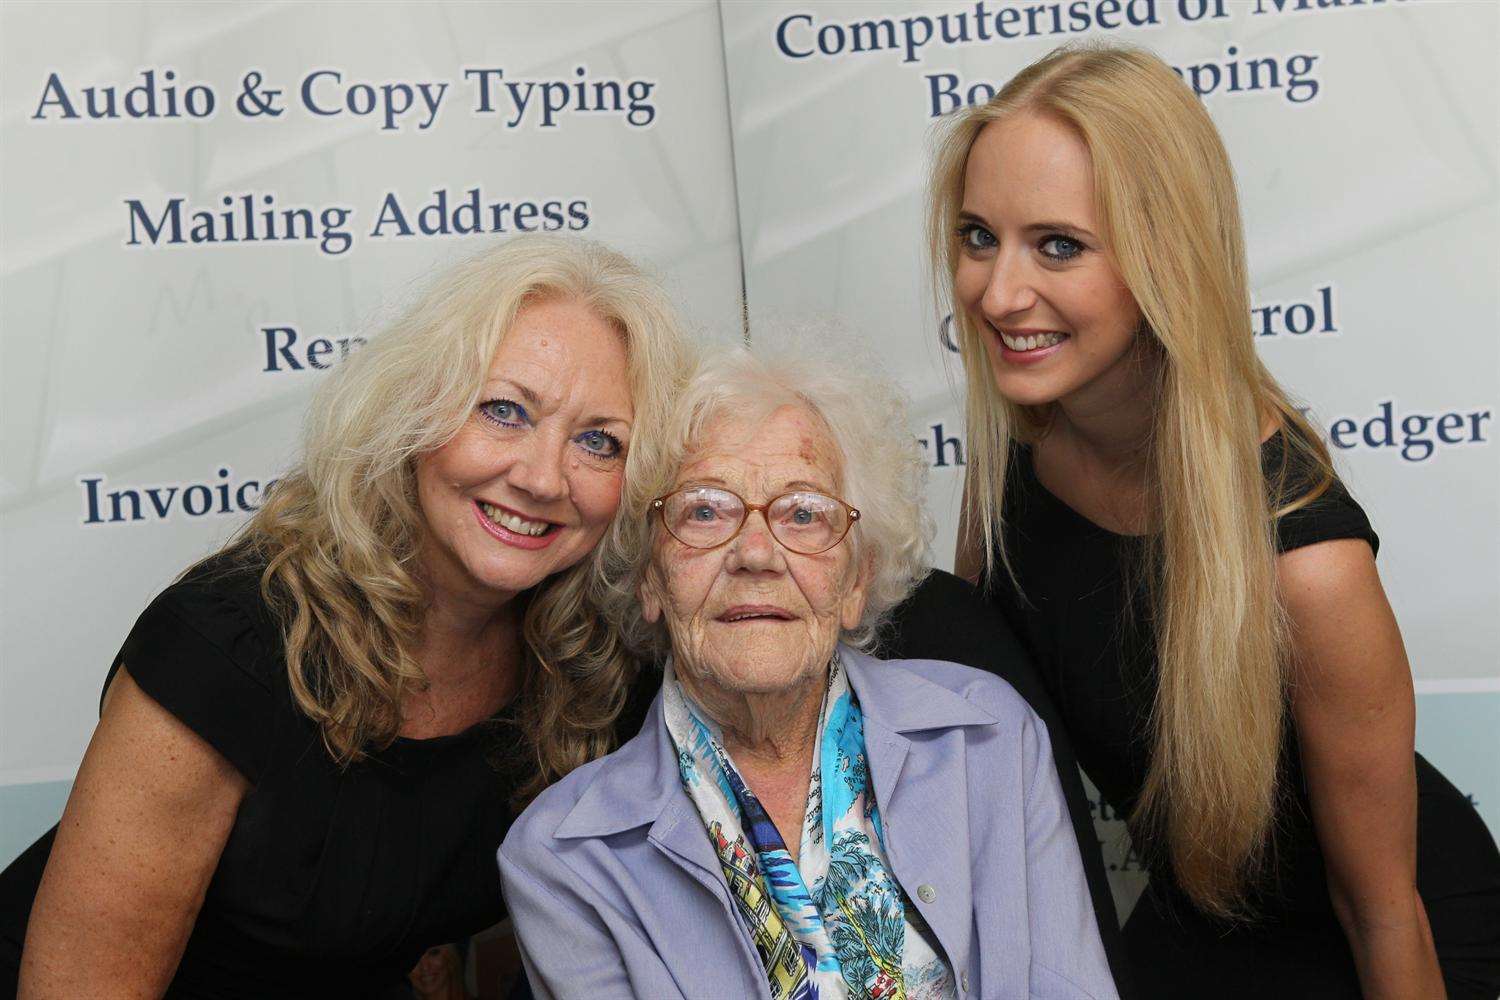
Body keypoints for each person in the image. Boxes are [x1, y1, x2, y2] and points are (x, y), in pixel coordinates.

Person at [926, 42, 1500, 998]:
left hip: (1391, 939)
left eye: (1058, 244)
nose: (997, 292)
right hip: (1203, 918)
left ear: (1166, 259)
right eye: (980, 236)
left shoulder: (1307, 562)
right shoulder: (1011, 470)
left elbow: (1385, 913)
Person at [0, 235, 691, 998]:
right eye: (502, 410)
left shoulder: (591, 667)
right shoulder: (226, 646)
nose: (540, 476)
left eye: (599, 441)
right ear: (416, 412)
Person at [498, 341, 1120, 1000]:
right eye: (705, 510)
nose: (757, 554)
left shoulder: (988, 739)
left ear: (857, 579)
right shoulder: (563, 859)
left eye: (803, 513)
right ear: (650, 576)